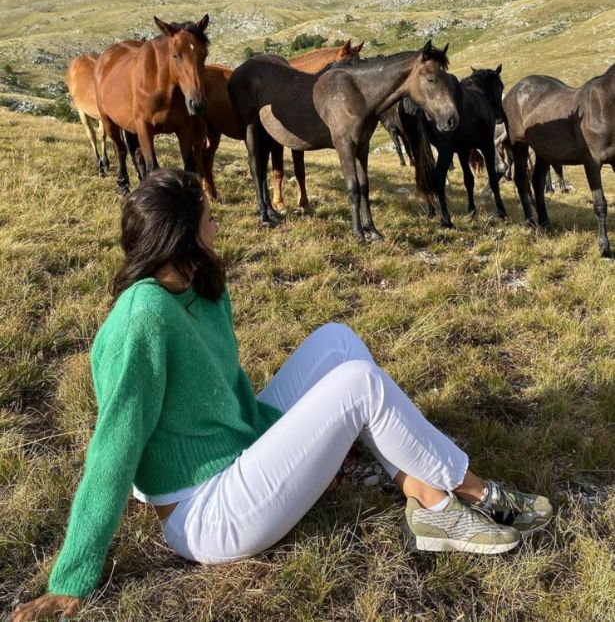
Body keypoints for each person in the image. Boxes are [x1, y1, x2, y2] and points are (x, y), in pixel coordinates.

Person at [10, 168, 552, 622]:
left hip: (235, 458)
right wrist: (72, 577)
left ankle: (417, 486)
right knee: (359, 385)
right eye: (208, 219)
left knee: (338, 342)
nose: (217, 222)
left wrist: (294, 442)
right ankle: (469, 496)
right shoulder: (143, 319)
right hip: (205, 514)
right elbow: (113, 448)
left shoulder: (198, 290)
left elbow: (230, 387)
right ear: (182, 239)